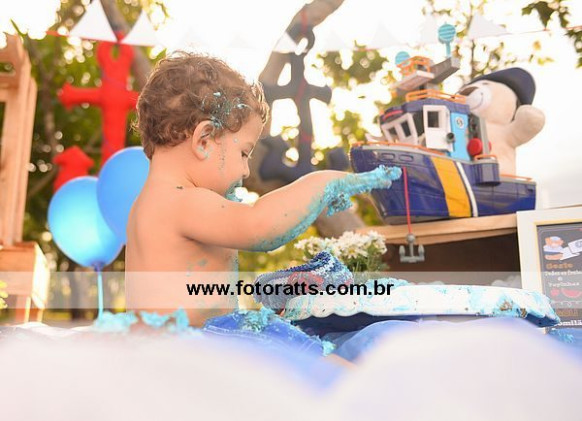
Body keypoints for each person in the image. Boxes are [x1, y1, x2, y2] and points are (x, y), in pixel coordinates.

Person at [125, 51, 401, 326]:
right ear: (204, 140)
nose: (246, 171)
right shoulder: (180, 201)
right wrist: (324, 183)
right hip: (187, 349)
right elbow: (260, 226)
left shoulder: (152, 203)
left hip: (172, 345)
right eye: (244, 153)